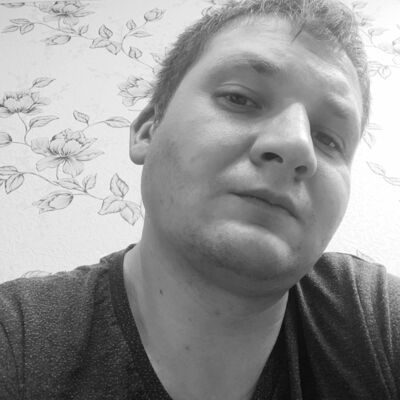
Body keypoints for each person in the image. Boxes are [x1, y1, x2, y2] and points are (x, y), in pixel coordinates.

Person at [1, 0, 399, 398]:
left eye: (329, 139)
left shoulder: (373, 319)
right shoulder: (18, 341)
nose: (297, 146)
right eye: (239, 99)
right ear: (148, 131)